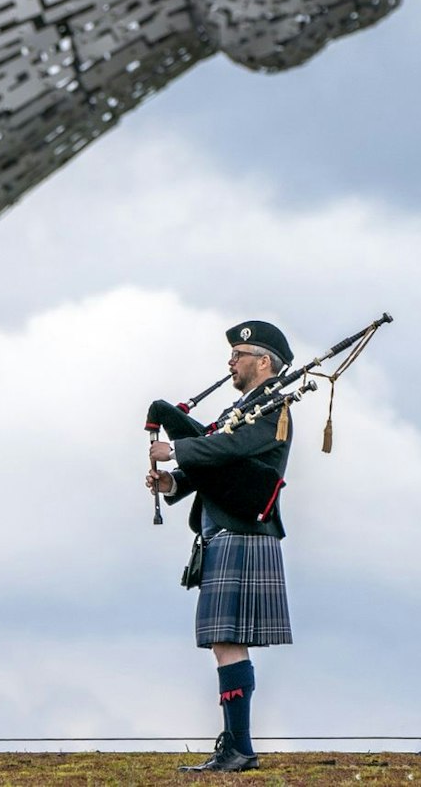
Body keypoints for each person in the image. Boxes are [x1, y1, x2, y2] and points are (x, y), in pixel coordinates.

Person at [146, 320, 296, 774]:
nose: (230, 362)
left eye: (239, 354)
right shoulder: (243, 408)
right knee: (222, 642)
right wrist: (173, 481)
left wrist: (176, 450)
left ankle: (238, 748)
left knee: (226, 640)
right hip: (222, 532)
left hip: (243, 532)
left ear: (263, 361)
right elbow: (217, 459)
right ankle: (235, 745)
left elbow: (233, 448)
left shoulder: (273, 406)